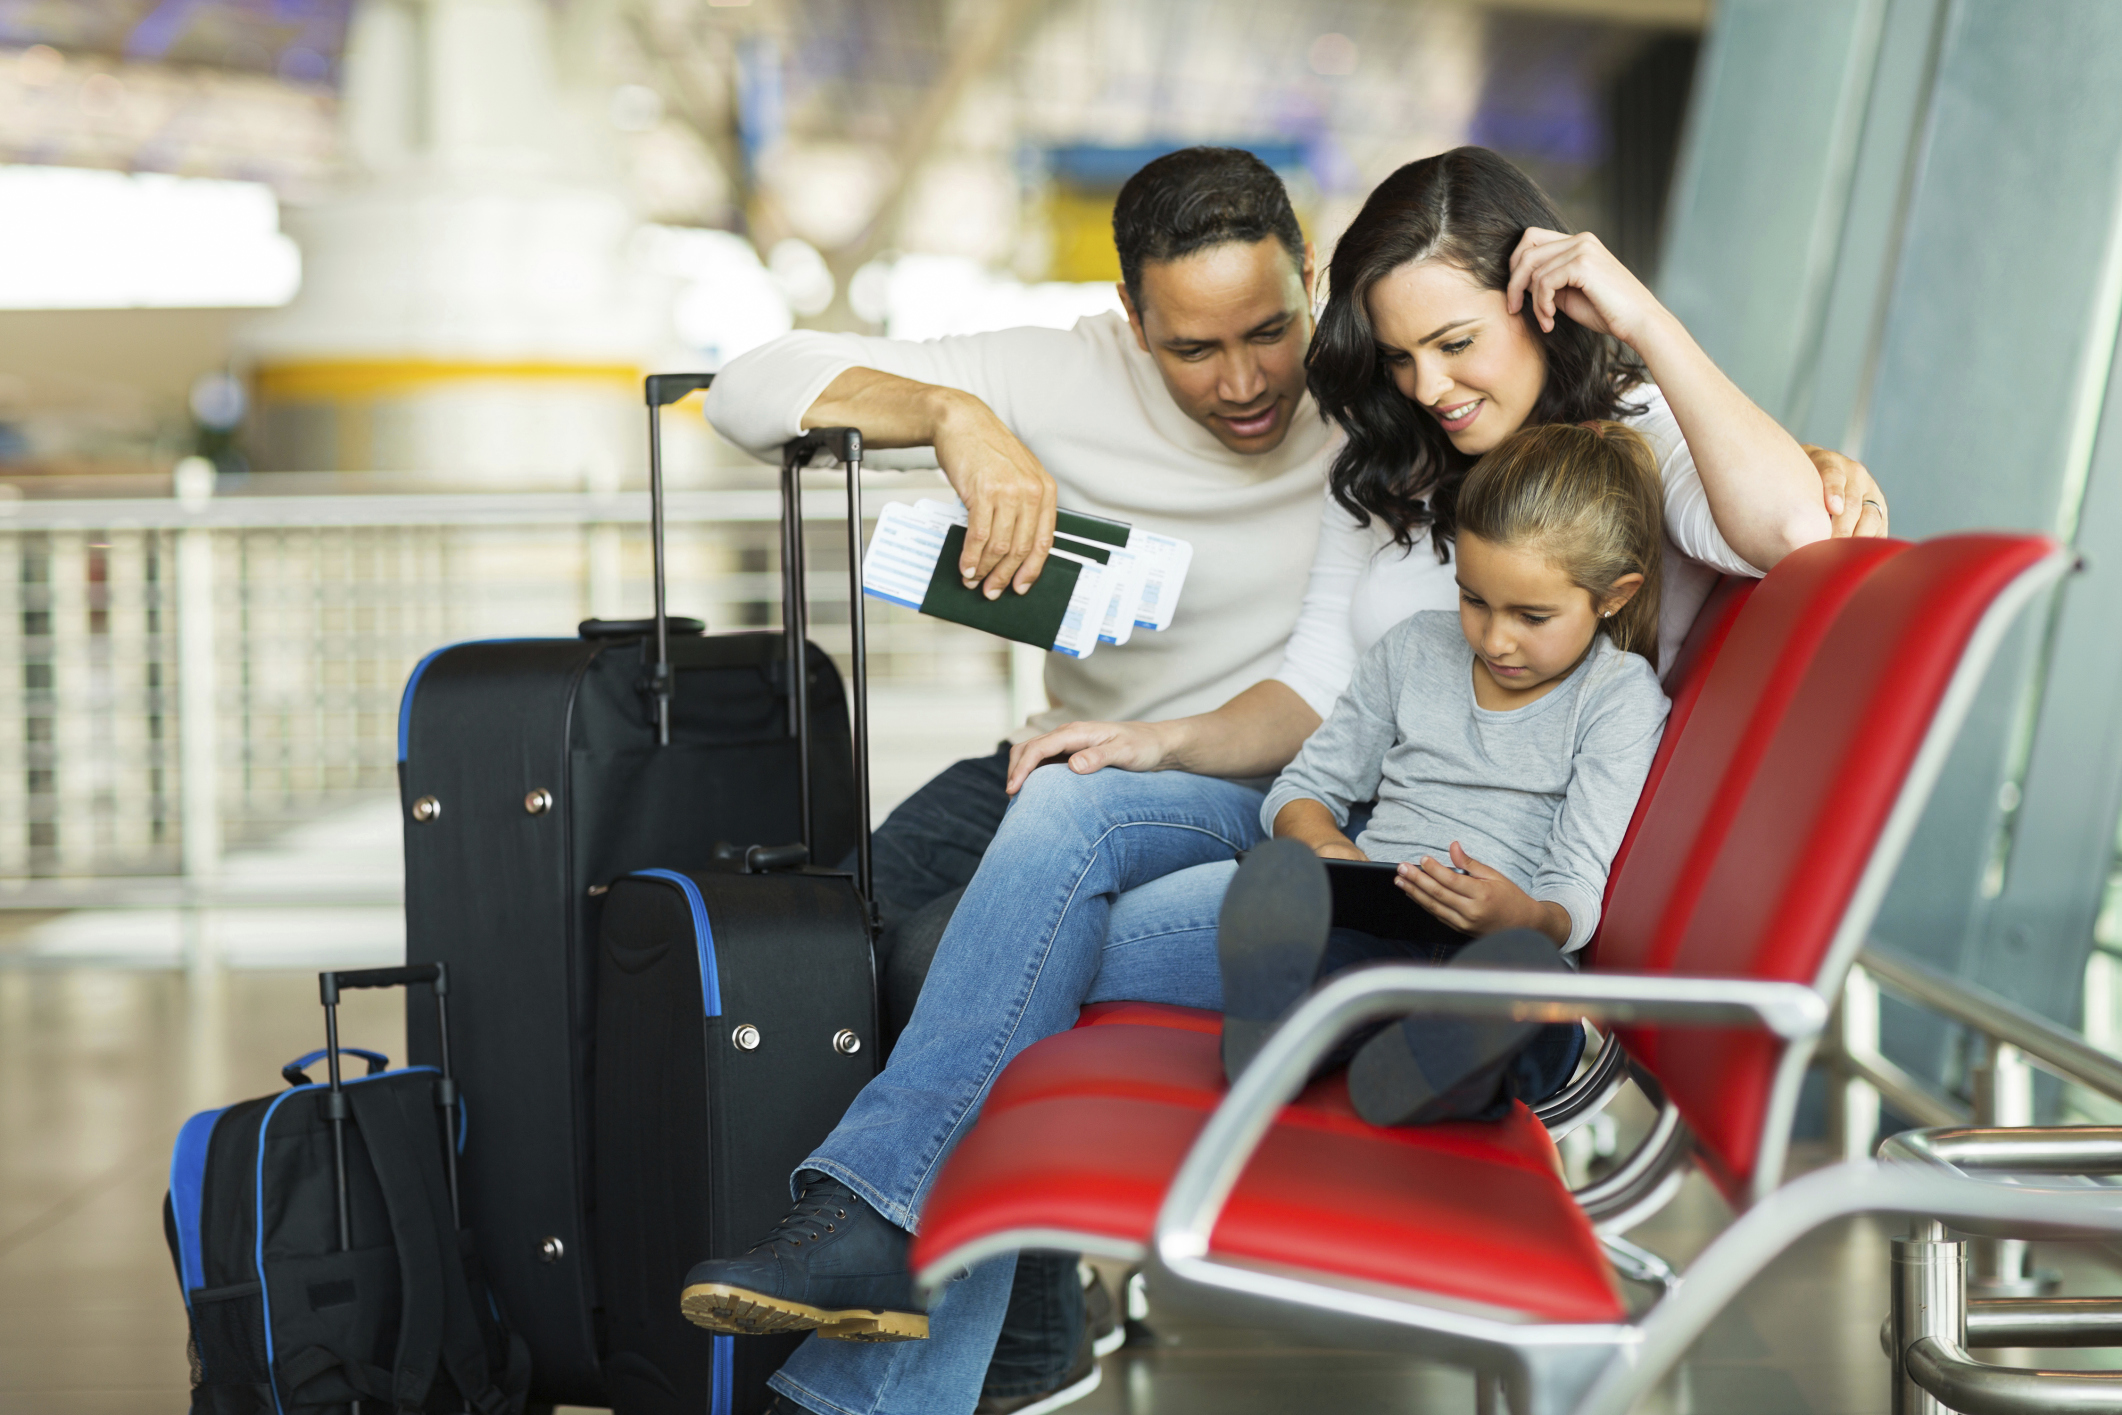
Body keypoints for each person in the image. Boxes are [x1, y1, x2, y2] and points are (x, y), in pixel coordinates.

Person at [685, 146, 1888, 1415]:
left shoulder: (1640, 443)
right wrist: (1153, 740)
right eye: (1404, 353)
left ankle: (868, 1333)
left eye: (1458, 343)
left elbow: (1795, 537)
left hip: (1446, 889)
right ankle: (872, 1229)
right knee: (1070, 801)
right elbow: (1314, 691)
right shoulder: (1396, 452)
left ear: (1548, 301)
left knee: (1001, 959)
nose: (1432, 384)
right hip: (1332, 814)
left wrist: (1640, 315)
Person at [705, 145, 1339, 1413]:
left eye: (1270, 329)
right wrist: (955, 416)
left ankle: (970, 1304)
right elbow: (748, 384)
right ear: (1131, 324)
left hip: (1252, 785)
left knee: (954, 950)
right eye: (1195, 349)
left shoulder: (1366, 394)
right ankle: (1028, 1319)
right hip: (1063, 757)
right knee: (832, 931)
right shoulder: (1062, 372)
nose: (1247, 380)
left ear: (1309, 279)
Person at [1221, 419, 1670, 1128]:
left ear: (1613, 596)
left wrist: (1519, 915)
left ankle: (1416, 1063)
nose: (1496, 638)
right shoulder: (1412, 650)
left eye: (1532, 615)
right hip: (1381, 924)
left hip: (1500, 952)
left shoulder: (1618, 695)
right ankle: (1296, 1041)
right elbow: (1303, 787)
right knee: (1289, 889)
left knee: (1522, 985)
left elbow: (1577, 886)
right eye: (1474, 599)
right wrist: (1322, 845)